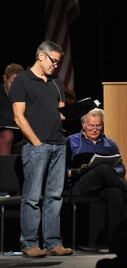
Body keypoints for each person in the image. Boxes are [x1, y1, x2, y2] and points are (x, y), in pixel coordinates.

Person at [8, 41, 73, 257]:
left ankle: (53, 242)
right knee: (33, 197)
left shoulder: (55, 82)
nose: (56, 65)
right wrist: (36, 142)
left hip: (58, 144)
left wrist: (72, 112)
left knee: (55, 196)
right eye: (53, 60)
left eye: (58, 62)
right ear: (41, 56)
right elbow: (18, 117)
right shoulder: (23, 81)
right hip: (37, 146)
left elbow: (61, 112)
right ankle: (29, 243)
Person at [66, 108, 127, 239]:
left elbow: (122, 168)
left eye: (98, 126)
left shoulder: (110, 143)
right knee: (104, 168)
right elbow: (63, 170)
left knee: (116, 192)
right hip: (81, 185)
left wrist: (115, 171)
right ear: (84, 125)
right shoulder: (71, 141)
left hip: (104, 186)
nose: (94, 129)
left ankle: (116, 240)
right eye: (91, 125)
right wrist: (76, 171)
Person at [0, 63, 24, 154]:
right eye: (12, 83)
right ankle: (3, 167)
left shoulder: (25, 97)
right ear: (5, 78)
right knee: (8, 135)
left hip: (20, 135)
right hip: (4, 134)